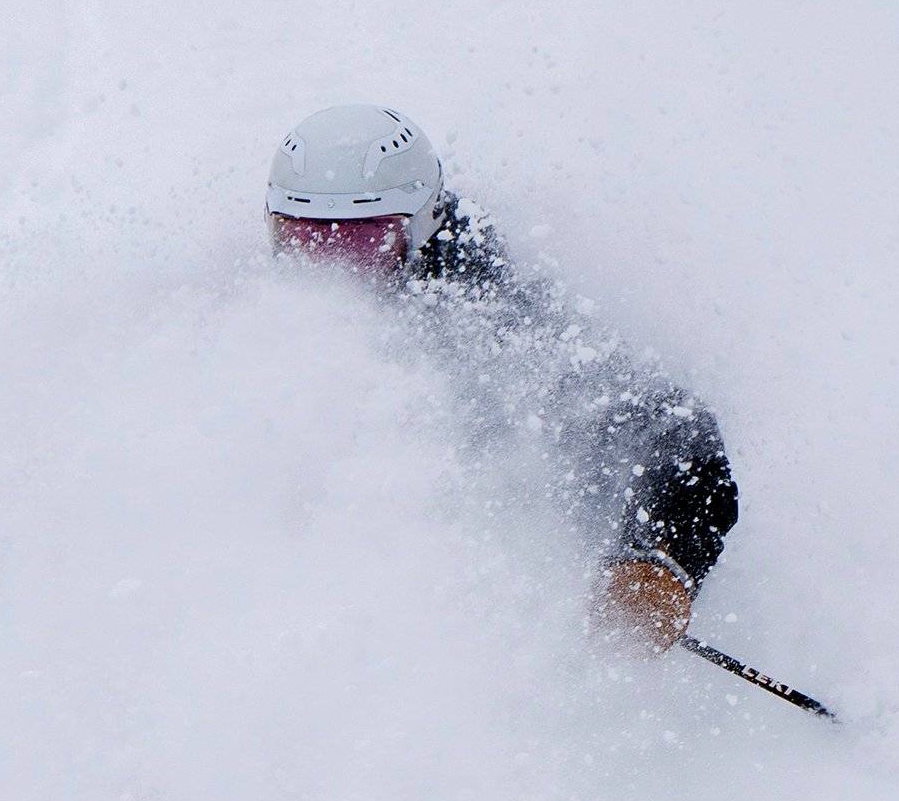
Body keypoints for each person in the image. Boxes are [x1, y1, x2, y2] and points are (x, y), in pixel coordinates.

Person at [266, 104, 737, 652]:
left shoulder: (493, 321)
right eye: (305, 241)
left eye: (360, 243)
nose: (333, 272)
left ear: (423, 225)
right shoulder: (248, 320)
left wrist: (657, 561)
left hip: (458, 611)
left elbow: (682, 440)